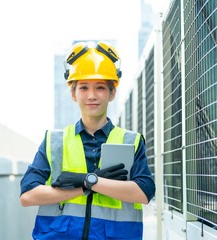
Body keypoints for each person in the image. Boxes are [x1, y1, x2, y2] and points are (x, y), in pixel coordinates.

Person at [20, 41, 155, 240]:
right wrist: (85, 185)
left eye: (100, 87)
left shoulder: (130, 141)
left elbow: (144, 192)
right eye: (83, 88)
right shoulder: (54, 141)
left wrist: (90, 180)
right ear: (73, 94)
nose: (92, 95)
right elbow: (28, 196)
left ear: (112, 93)